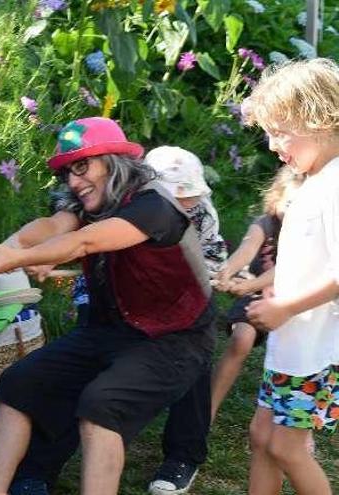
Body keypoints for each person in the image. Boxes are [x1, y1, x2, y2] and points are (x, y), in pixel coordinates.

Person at [0, 117, 216, 495]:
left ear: (113, 161)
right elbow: (54, 228)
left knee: (100, 406)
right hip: (110, 329)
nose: (73, 180)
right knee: (18, 383)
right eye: (69, 170)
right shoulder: (88, 203)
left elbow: (85, 242)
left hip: (175, 339)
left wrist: (13, 260)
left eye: (82, 166)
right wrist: (6, 247)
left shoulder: (153, 206)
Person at [241, 58, 339, 495]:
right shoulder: (313, 181)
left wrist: (286, 307)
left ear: (319, 118)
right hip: (293, 346)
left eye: (280, 131)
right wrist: (264, 287)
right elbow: (309, 257)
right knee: (262, 438)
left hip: (317, 350)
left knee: (286, 447)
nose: (272, 144)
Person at [143, 146, 228, 495]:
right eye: (177, 198)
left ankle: (183, 454)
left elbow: (214, 259)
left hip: (187, 293)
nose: (186, 205)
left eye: (190, 197)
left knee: (194, 351)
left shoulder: (203, 214)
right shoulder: (130, 211)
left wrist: (201, 280)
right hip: (131, 296)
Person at [210, 168, 303, 420]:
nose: (293, 211)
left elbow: (284, 271)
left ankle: (298, 426)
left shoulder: (308, 234)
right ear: (277, 197)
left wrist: (248, 286)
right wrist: (228, 270)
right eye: (290, 203)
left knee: (297, 359)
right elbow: (247, 248)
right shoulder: (266, 223)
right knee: (241, 339)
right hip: (256, 295)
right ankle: (207, 411)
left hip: (297, 301)